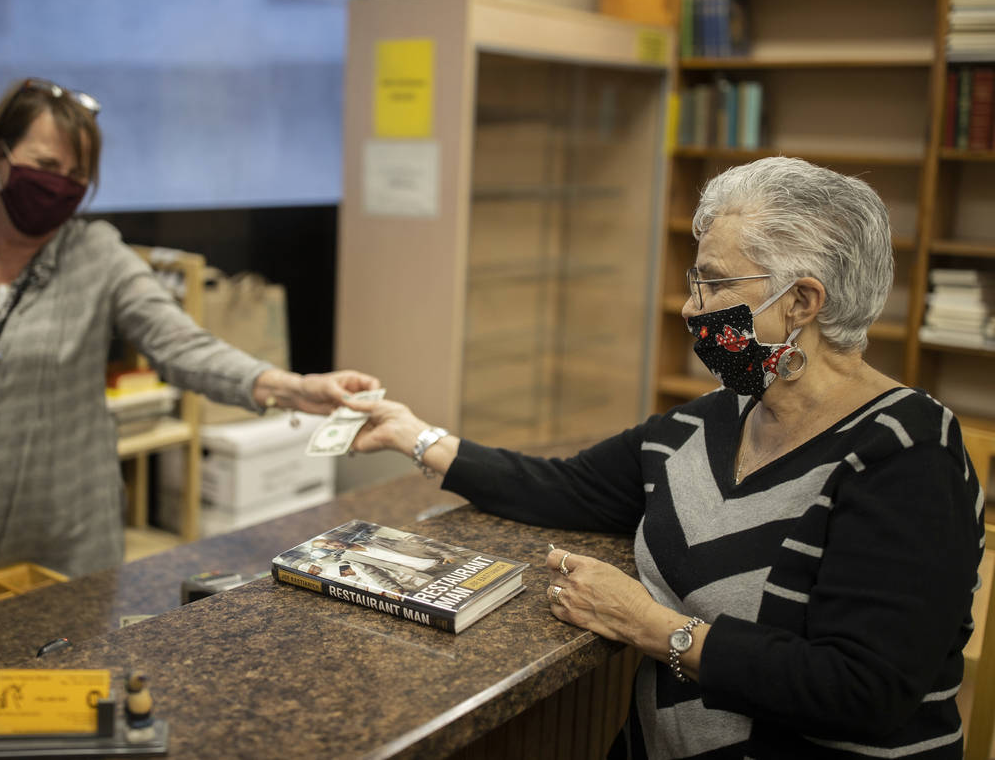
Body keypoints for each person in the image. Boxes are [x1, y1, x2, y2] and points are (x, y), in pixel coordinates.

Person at [348, 157, 984, 758]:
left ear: (802, 303)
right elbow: (565, 488)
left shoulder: (910, 453)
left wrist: (652, 627)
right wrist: (418, 437)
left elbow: (862, 690)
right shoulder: (706, 422)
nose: (690, 307)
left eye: (713, 283)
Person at [0, 77, 379, 594]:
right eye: (46, 165)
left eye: (76, 178)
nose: (59, 187)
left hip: (60, 551)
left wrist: (288, 387)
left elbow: (182, 346)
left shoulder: (97, 255)